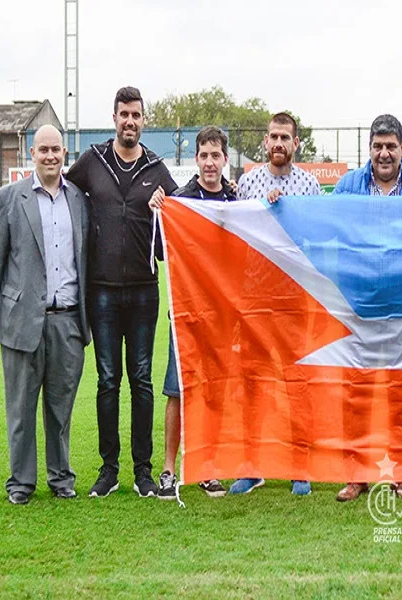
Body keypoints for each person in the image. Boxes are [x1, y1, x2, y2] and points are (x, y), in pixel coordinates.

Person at [66, 86, 177, 498]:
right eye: (123, 114)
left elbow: (182, 225)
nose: (130, 122)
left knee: (142, 381)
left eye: (136, 115)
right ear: (114, 118)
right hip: (103, 293)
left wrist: (167, 208)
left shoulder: (157, 168)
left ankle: (143, 471)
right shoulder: (92, 162)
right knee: (108, 381)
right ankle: (109, 469)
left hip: (145, 293)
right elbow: (63, 197)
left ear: (143, 121)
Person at [0, 125, 90, 505]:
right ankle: (21, 483)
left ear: (64, 153)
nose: (50, 156)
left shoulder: (78, 198)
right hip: (21, 319)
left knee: (61, 407)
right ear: (32, 153)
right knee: (21, 409)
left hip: (67, 320)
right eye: (43, 149)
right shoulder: (10, 198)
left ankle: (61, 478)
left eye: (56, 150)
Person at [332, 113, 402, 502]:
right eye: (378, 146)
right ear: (369, 149)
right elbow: (322, 226)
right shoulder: (347, 187)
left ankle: (400, 474)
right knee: (356, 392)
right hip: (358, 305)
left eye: (391, 146)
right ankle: (356, 474)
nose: (384, 153)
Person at [229, 113, 321, 497]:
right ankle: (253, 466)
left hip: (294, 299)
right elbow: (234, 233)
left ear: (296, 143)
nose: (278, 143)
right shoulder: (248, 183)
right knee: (254, 386)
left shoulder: (309, 185)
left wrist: (286, 215)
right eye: (273, 137)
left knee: (296, 384)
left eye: (285, 137)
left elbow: (315, 239)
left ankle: (301, 467)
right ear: (265, 142)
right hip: (255, 300)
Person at [147, 126, 237, 500]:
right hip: (185, 313)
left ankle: (207, 466)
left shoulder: (236, 202)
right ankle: (168, 469)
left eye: (216, 155)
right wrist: (159, 212)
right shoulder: (179, 200)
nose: (210, 162)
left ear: (225, 159)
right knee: (177, 390)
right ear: (195, 159)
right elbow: (161, 251)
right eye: (204, 155)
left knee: (214, 392)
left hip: (222, 316)